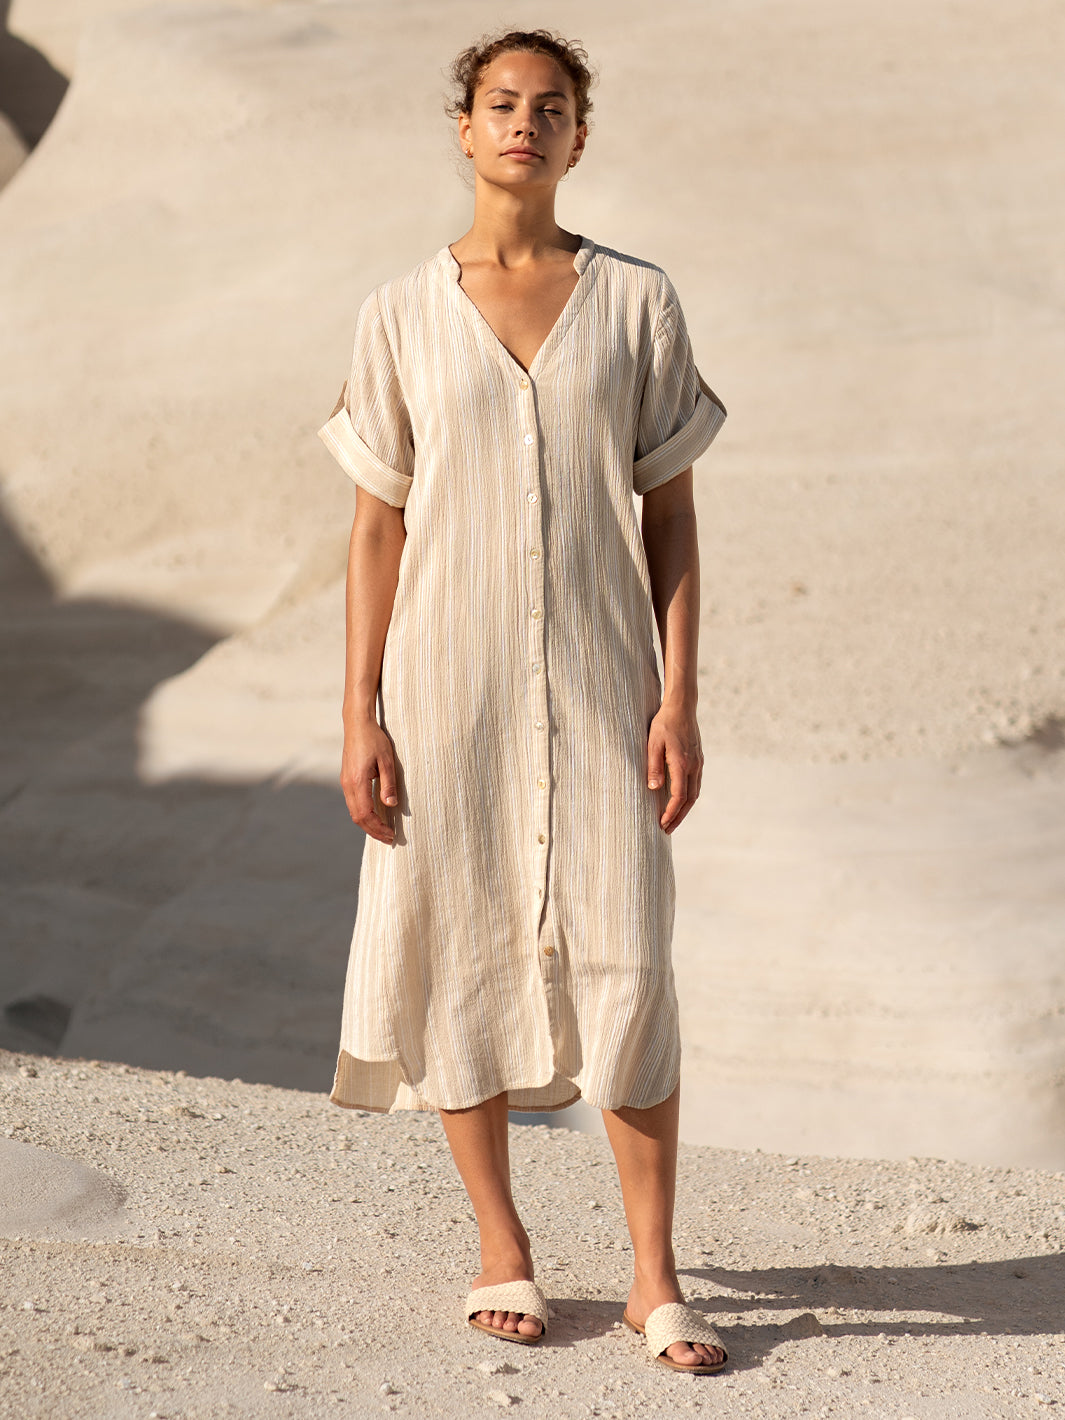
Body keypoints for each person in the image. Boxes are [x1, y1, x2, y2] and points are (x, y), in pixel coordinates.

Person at [318, 27, 728, 1375]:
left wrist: (678, 695)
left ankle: (655, 1276)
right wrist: (360, 711)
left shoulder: (638, 303)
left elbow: (670, 514)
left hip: (605, 686)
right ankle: (502, 1244)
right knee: (459, 948)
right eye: (502, 103)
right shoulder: (398, 313)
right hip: (447, 692)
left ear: (578, 138)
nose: (524, 125)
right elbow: (375, 526)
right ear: (464, 126)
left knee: (631, 958)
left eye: (551, 108)